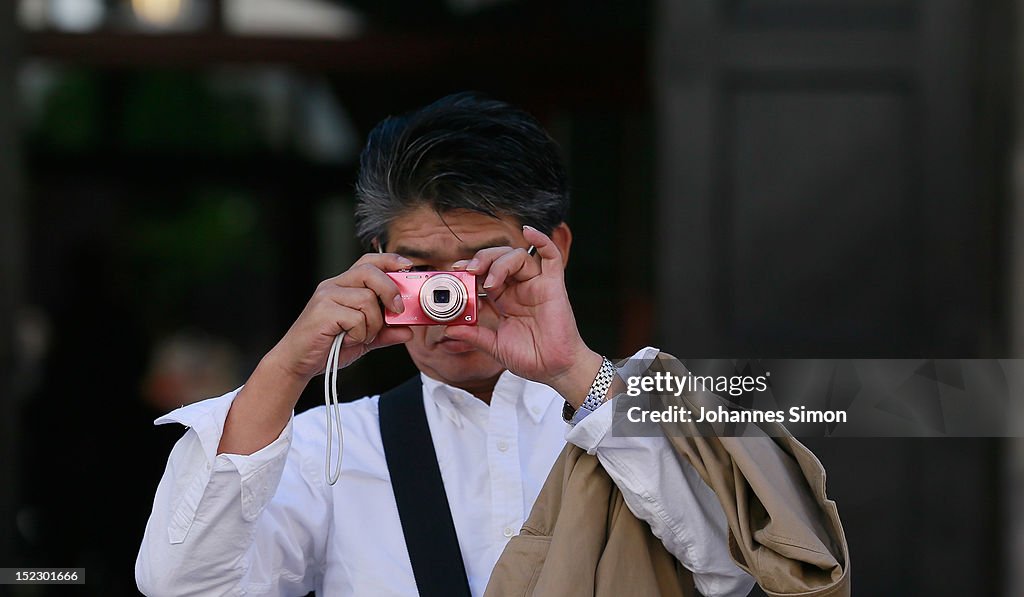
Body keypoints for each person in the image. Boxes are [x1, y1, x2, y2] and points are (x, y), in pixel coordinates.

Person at [135, 93, 756, 596]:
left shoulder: (642, 412)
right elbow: (182, 587)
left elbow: (735, 569)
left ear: (554, 250)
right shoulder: (332, 447)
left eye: (482, 265)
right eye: (423, 272)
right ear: (375, 262)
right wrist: (288, 365)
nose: (452, 300)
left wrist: (574, 370)